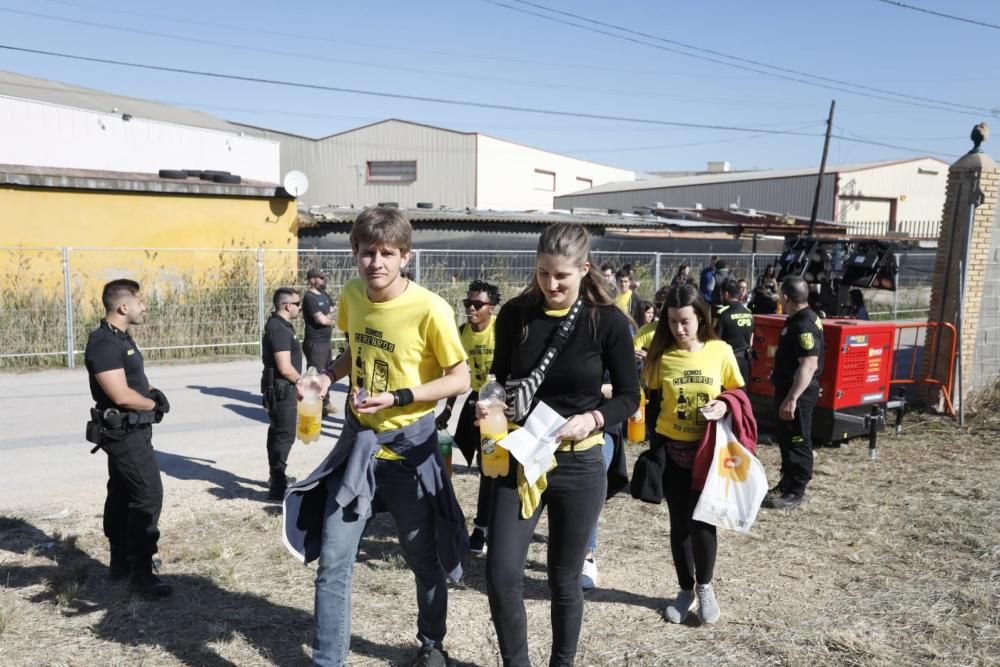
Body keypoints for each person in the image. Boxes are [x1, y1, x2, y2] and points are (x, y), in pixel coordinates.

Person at [287, 207, 470, 667]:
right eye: (368, 252)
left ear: (405, 256)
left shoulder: (431, 308)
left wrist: (399, 397)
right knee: (333, 561)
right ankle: (328, 660)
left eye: (387, 253)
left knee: (421, 558)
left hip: (409, 451)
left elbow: (460, 376)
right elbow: (356, 350)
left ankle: (431, 644)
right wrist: (328, 377)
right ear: (355, 255)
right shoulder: (351, 294)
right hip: (358, 446)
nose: (376, 262)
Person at [483, 222, 640, 666]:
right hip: (523, 456)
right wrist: (489, 400)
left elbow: (630, 396)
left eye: (562, 276)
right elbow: (498, 378)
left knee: (564, 579)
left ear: (583, 269)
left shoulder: (605, 321)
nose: (551, 284)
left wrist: (592, 418)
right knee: (501, 574)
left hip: (579, 464)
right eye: (543, 273)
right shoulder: (515, 314)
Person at [640, 283, 744, 625]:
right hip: (672, 454)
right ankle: (684, 590)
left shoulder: (721, 351)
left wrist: (723, 404)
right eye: (671, 322)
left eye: (685, 321)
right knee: (679, 526)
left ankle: (705, 587)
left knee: (703, 524)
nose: (678, 329)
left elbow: (739, 396)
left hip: (709, 454)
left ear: (701, 317)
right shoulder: (662, 358)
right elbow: (652, 402)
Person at [84, 279, 172, 597]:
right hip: (124, 433)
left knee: (122, 494)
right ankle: (140, 571)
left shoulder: (121, 337)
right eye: (140, 301)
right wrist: (153, 404)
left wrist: (149, 395)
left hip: (134, 428)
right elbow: (120, 394)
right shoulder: (103, 343)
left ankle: (120, 562)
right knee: (148, 495)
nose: (144, 306)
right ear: (123, 307)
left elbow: (130, 382)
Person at [436, 279, 501, 556]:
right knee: (480, 465)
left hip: (497, 407)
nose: (471, 309)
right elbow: (456, 376)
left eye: (478, 304)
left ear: (492, 308)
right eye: (467, 303)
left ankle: (483, 528)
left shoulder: (502, 330)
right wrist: (448, 410)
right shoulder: (461, 333)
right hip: (474, 403)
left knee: (491, 468)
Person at [762, 276, 824, 510]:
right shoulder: (799, 319)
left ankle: (796, 490)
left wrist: (792, 398)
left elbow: (809, 364)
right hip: (789, 391)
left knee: (798, 440)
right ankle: (786, 482)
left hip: (797, 396)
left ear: (786, 297)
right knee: (787, 439)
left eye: (780, 294)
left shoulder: (803, 324)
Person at [260, 287, 304, 501]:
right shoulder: (279, 329)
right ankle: (277, 485)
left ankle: (276, 476)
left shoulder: (280, 326)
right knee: (284, 435)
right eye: (298, 304)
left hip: (280, 388)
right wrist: (302, 382)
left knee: (278, 432)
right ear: (287, 306)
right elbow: (285, 367)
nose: (300, 308)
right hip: (282, 389)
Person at [713, 278, 754, 384]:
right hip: (745, 360)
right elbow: (751, 338)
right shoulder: (748, 313)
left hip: (728, 361)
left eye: (721, 294)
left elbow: (715, 339)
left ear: (726, 294)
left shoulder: (722, 313)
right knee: (742, 394)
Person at [302, 267, 335, 377]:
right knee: (315, 375)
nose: (324, 280)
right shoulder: (309, 298)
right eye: (321, 278)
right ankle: (312, 394)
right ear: (312, 280)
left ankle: (324, 395)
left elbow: (335, 310)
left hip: (326, 341)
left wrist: (328, 317)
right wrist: (331, 318)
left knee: (326, 373)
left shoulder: (324, 294)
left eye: (324, 278)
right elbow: (322, 321)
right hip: (315, 343)